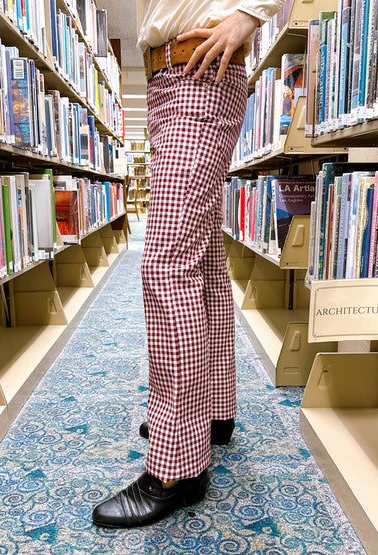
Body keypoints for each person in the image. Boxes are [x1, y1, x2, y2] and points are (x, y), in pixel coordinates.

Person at [93, 0, 283, 529]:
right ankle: (214, 411)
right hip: (169, 78)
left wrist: (251, 14)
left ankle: (177, 467)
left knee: (167, 263)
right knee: (201, 259)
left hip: (197, 70)